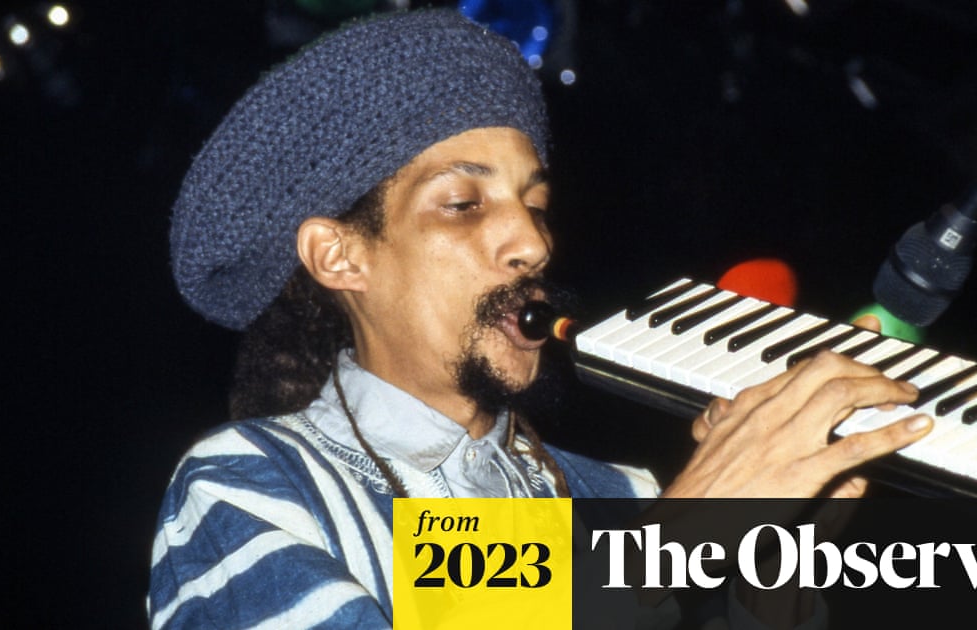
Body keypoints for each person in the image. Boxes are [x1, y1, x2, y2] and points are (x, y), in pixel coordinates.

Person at [148, 8, 932, 628]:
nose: (532, 242)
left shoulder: (621, 494)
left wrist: (773, 578)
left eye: (536, 204)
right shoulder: (248, 486)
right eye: (463, 204)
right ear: (340, 256)